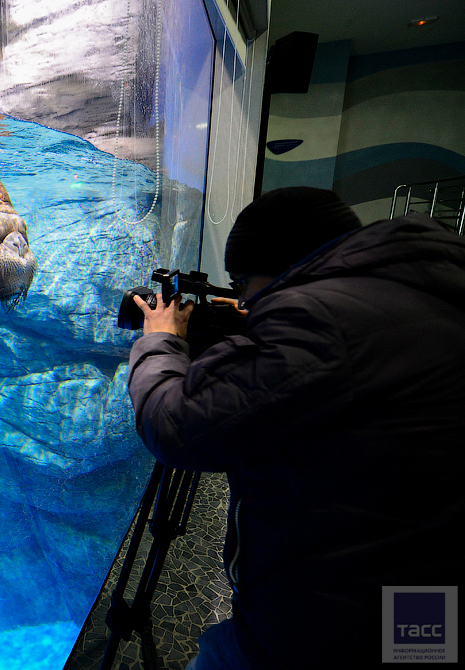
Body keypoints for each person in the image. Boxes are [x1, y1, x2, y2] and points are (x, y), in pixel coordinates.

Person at [125, 187, 465, 669]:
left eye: (241, 283)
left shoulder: (320, 318)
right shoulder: (425, 290)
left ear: (278, 266)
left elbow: (176, 426)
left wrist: (161, 343)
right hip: (424, 581)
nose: (241, 298)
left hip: (331, 614)